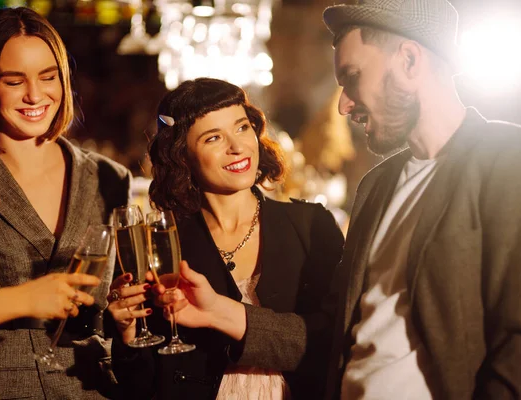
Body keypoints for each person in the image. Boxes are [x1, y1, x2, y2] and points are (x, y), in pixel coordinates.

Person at [320, 0, 521, 398]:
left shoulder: (512, 160)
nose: (343, 104)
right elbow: (333, 329)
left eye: (351, 77)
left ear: (410, 61)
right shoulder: (376, 185)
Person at [0, 7, 132, 398]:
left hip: (91, 387)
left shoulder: (111, 178)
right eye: (14, 80)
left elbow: (117, 311)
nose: (35, 95)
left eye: (48, 76)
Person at [108, 77, 345, 399]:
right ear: (182, 155)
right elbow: (144, 383)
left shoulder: (310, 225)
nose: (237, 146)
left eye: (242, 127)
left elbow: (338, 341)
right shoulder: (163, 244)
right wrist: (128, 332)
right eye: (213, 138)